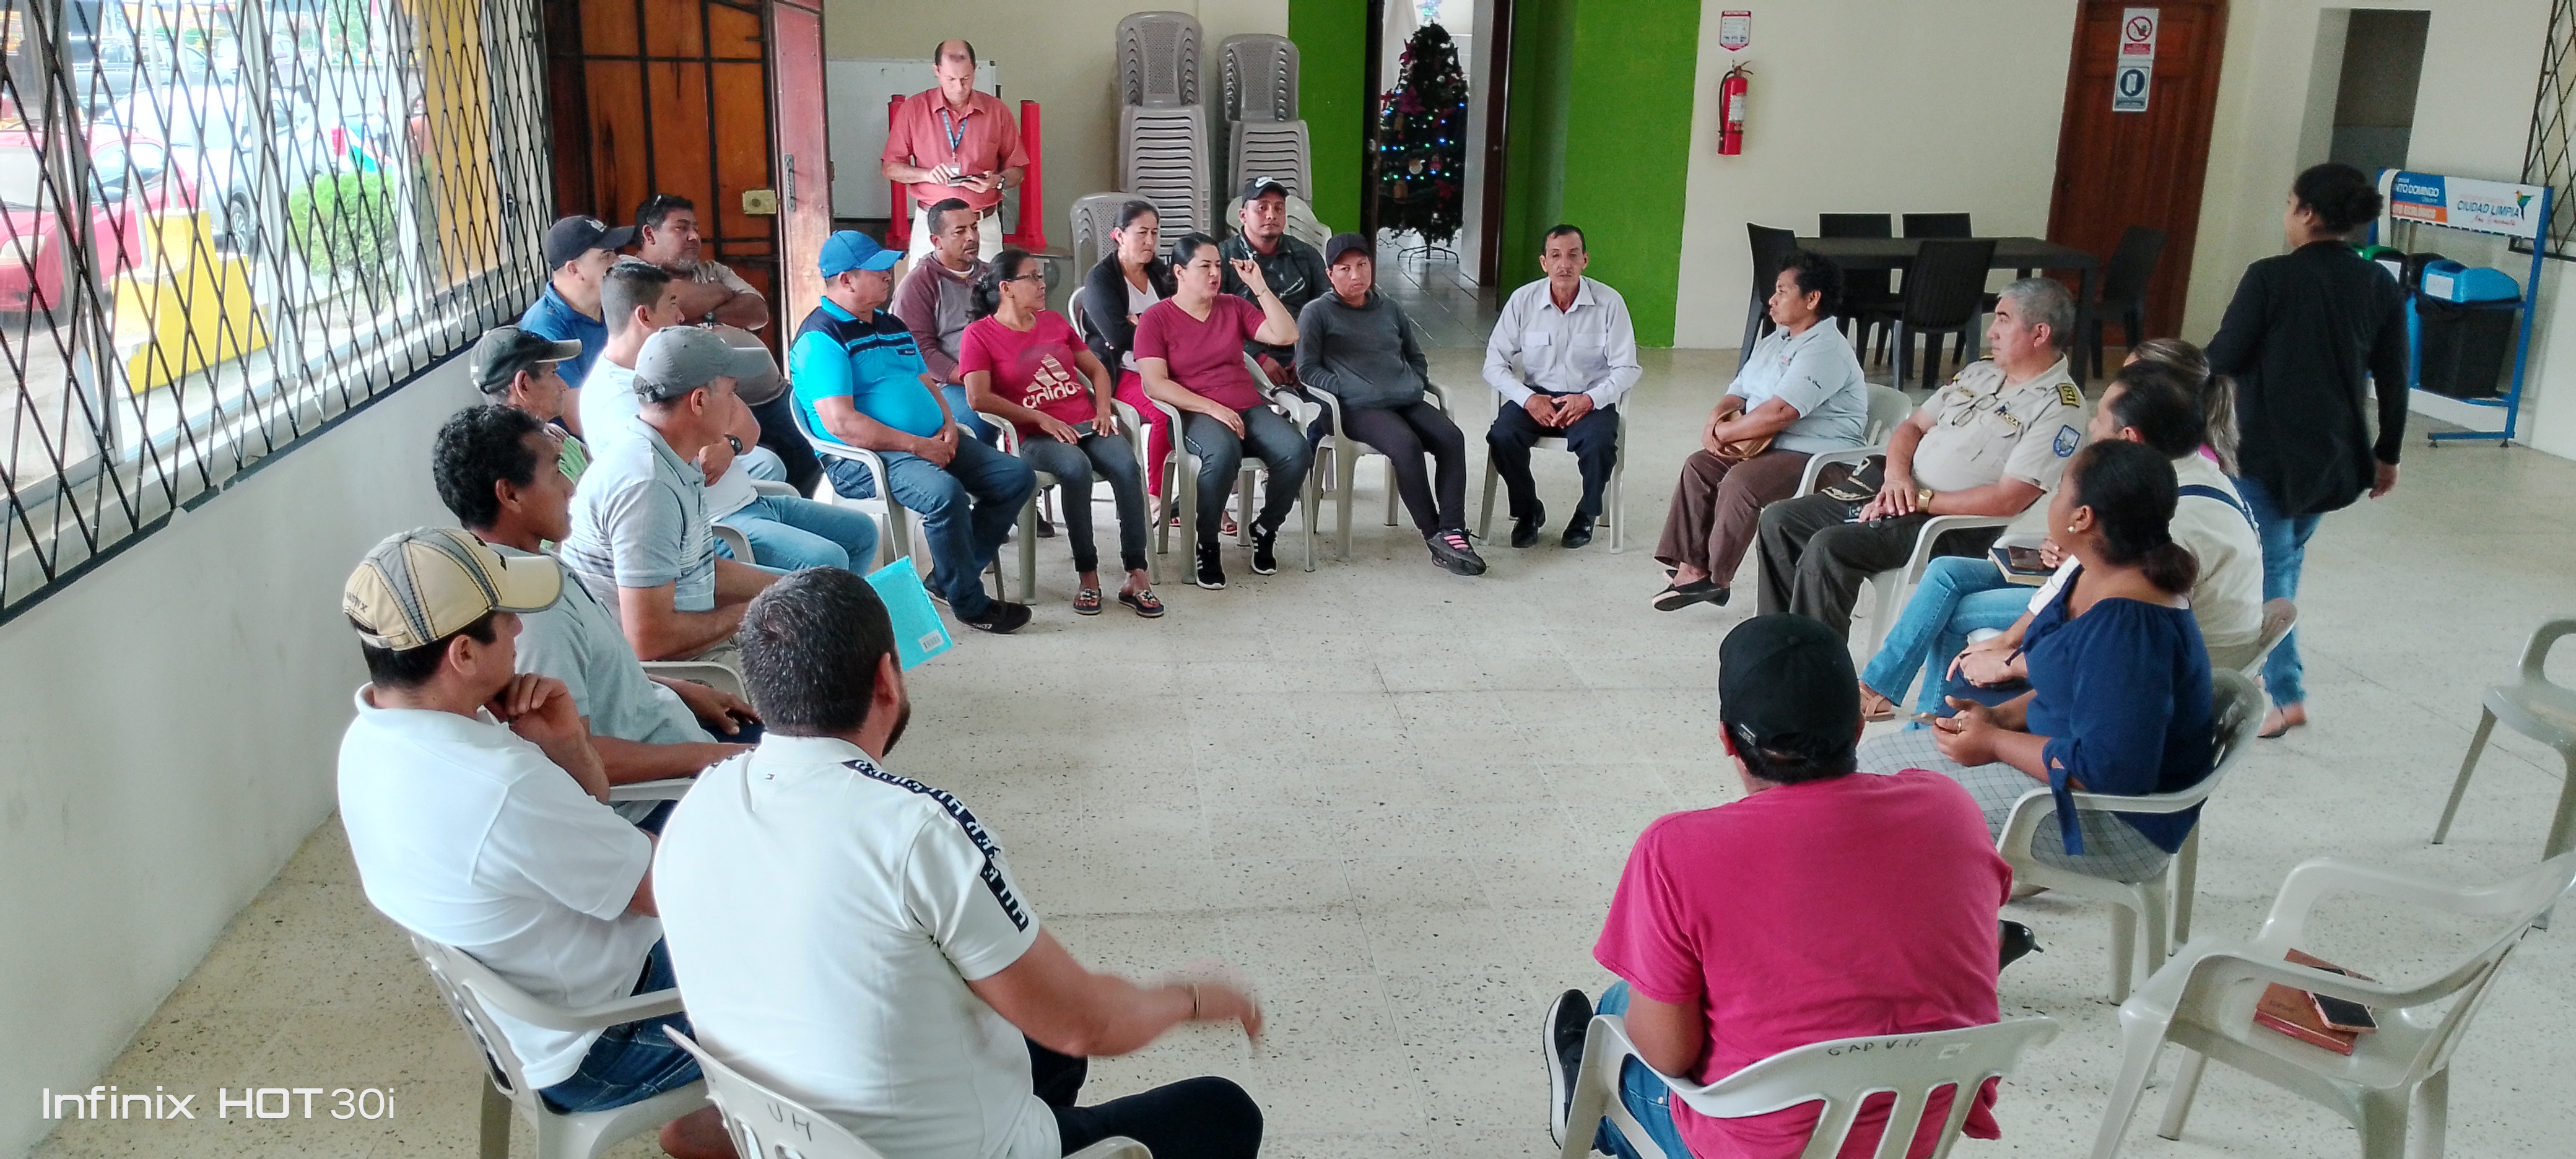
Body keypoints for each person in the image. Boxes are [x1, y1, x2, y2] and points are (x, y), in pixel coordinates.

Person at [653, 568, 1266, 1159]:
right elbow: (1087, 1023)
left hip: (795, 1135)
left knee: (1048, 1049)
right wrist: (1187, 998)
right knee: (1222, 1111)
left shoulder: (701, 802)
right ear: (887, 679)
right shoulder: (916, 830)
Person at [1541, 613, 2009, 1159]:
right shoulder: (1949, 809)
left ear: (1727, 740)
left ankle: (1591, 1109)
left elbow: (1669, 1056)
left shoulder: (1676, 850)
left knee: (1619, 1005)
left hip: (1755, 1145)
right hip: (1917, 1133)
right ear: (1858, 729)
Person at [333, 527, 731, 1159]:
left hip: (529, 1022)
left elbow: (584, 826)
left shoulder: (370, 738)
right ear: (464, 653)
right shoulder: (500, 786)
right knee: (842, 960)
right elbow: (673, 893)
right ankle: (731, 1129)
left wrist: (568, 747)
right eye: (505, 618)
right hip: (608, 1039)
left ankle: (715, 1123)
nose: (520, 628)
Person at [1859, 440, 2215, 885]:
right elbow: (2073, 688)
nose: (2052, 498)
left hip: (2117, 823)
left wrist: (1994, 743)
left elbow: (2108, 772)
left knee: (1879, 806)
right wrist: (2000, 716)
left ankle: (1939, 918)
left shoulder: (2130, 628)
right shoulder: (2092, 570)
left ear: (2082, 517)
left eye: (2061, 488)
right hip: (2061, 766)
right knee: (1868, 763)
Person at [433, 405, 760, 821]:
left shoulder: (532, 565)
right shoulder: (533, 612)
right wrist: (716, 756)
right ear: (511, 495)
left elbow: (589, 676)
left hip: (676, 730)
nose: (570, 487)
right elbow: (578, 755)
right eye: (555, 472)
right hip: (662, 800)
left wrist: (678, 689)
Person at [1902, 356, 2263, 721]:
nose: (2091, 426)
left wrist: (2013, 662)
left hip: (2193, 674)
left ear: (2129, 438)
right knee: (1949, 575)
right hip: (2168, 654)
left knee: (1955, 612)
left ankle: (1935, 725)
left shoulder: (2170, 519)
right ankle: (1923, 715)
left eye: (2099, 419)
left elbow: (2101, 641)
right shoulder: (2178, 477)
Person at [1754, 277, 2084, 640]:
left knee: (1830, 547)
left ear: (2040, 334)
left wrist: (1920, 501)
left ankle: (1817, 664)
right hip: (1895, 491)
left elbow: (2010, 500)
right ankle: (1777, 644)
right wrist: (1897, 478)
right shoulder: (1981, 372)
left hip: (1948, 524)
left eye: (2004, 320)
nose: (1991, 331)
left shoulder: (2058, 408)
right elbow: (1912, 427)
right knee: (1780, 520)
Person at [2206, 161, 2409, 739]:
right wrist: (2388, 453)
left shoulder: (2270, 277)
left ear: (2307, 212)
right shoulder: (2378, 283)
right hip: (2334, 456)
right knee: (2285, 561)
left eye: (2289, 204)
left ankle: (2287, 695)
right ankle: (2277, 683)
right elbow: (2395, 377)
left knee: (2270, 576)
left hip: (2263, 452)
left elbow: (2223, 358)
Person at [790, 230, 1037, 633]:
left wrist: (949, 425)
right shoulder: (821, 338)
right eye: (877, 269)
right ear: (846, 280)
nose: (888, 274)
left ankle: (947, 579)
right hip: (865, 456)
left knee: (1016, 476)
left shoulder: (891, 324)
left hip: (927, 441)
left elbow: (926, 382)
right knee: (944, 494)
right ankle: (969, 603)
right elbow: (842, 424)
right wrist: (917, 446)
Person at [583, 260, 878, 574]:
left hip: (751, 500)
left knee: (861, 533)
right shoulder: (616, 401)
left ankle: (834, 602)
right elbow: (689, 468)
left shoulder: (675, 360)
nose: (682, 316)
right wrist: (726, 438)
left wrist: (730, 444)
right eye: (672, 305)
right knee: (828, 561)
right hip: (718, 525)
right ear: (644, 316)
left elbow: (748, 426)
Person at [1653, 250, 1868, 610]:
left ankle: (1716, 578)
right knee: (1700, 465)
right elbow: (1739, 390)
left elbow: (1781, 412)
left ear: (1812, 299)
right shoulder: (1778, 339)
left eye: (1782, 291)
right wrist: (1714, 421)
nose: (1772, 299)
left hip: (1819, 455)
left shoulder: (1826, 348)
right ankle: (1692, 568)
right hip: (1770, 445)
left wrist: (1725, 435)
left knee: (1742, 482)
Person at [960, 248, 1162, 617]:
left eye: (1041, 277)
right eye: (1033, 277)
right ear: (1007, 288)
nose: (1043, 284)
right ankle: (1088, 574)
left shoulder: (1053, 322)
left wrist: (1104, 410)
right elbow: (978, 398)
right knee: (1075, 468)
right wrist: (1039, 418)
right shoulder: (979, 335)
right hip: (1035, 436)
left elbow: (1098, 370)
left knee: (1126, 465)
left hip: (1086, 421)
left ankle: (1136, 573)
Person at [560, 326, 781, 661]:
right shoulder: (647, 486)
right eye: (732, 393)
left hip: (691, 649)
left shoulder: (674, 454)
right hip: (667, 673)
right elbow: (648, 642)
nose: (736, 405)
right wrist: (761, 609)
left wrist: (789, 590)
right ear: (699, 401)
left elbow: (704, 572)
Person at [1294, 232, 1484, 576]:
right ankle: (1434, 534)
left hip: (1403, 399)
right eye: (1345, 269)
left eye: (1362, 265)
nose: (1356, 275)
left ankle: (1453, 529)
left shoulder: (1389, 307)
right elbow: (1307, 370)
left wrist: (1413, 381)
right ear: (1330, 274)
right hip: (1353, 409)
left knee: (1452, 438)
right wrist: (1347, 387)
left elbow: (1415, 355)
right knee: (1405, 445)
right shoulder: (1317, 313)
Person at [1134, 231, 1311, 590]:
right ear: (1180, 272)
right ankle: (1208, 543)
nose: (1215, 273)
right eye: (1205, 266)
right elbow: (1155, 385)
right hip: (1192, 413)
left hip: (1247, 406)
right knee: (1223, 452)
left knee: (1296, 451)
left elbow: (1286, 335)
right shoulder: (1156, 319)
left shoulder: (1232, 306)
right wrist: (1212, 408)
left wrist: (1259, 287)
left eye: (1218, 265)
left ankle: (1265, 528)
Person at [1482, 225, 1641, 550]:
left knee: (1599, 445)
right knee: (1502, 436)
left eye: (1573, 255)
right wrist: (1528, 399)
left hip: (1589, 399)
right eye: (1555, 256)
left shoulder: (1609, 303)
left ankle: (1587, 514)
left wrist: (1589, 400)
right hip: (1537, 396)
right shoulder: (1523, 300)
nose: (1564, 264)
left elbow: (1627, 368)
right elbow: (1494, 364)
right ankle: (1528, 511)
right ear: (1544, 263)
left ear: (1585, 260)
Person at [881, 38, 1026, 263]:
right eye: (951, 79)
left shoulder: (997, 111)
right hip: (932, 226)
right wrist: (927, 175)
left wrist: (997, 181)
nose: (959, 87)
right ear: (937, 71)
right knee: (925, 285)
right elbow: (890, 168)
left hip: (982, 226)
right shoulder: (914, 110)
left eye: (966, 79)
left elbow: (1018, 170)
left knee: (987, 285)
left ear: (975, 70)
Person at [1082, 201, 1181, 503]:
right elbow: (1119, 337)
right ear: (1119, 235)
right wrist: (1157, 328)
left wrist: (1141, 322)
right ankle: (1156, 497)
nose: (1150, 241)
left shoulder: (1161, 272)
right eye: (1142, 233)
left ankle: (1203, 493)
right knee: (1165, 414)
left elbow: (1185, 320)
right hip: (1121, 370)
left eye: (1155, 233)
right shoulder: (1101, 278)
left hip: (1168, 366)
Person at [894, 197, 1000, 443]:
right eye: (960, 232)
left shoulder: (992, 275)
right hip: (948, 383)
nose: (972, 237)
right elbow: (920, 351)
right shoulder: (918, 284)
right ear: (936, 241)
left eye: (974, 227)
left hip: (1001, 372)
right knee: (980, 420)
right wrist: (973, 377)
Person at [1219, 178, 1329, 391]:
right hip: (1242, 357)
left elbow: (1326, 312)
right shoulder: (1223, 258)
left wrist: (1307, 356)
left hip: (1300, 353)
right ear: (1243, 216)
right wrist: (1256, 357)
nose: (1271, 215)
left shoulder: (1307, 256)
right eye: (1262, 208)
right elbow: (1215, 321)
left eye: (1279, 208)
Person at [519, 215, 637, 407]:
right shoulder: (544, 328)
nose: (618, 262)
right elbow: (577, 412)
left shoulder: (614, 301)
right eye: (606, 256)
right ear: (574, 269)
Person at [468, 326, 591, 482]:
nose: (564, 386)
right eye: (553, 373)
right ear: (523, 385)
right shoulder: (523, 472)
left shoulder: (558, 436)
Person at [634, 193, 770, 331]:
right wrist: (721, 291)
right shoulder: (628, 272)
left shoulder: (713, 270)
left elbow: (759, 312)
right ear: (650, 235)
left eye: (696, 229)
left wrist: (708, 316)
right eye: (681, 228)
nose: (695, 236)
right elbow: (669, 303)